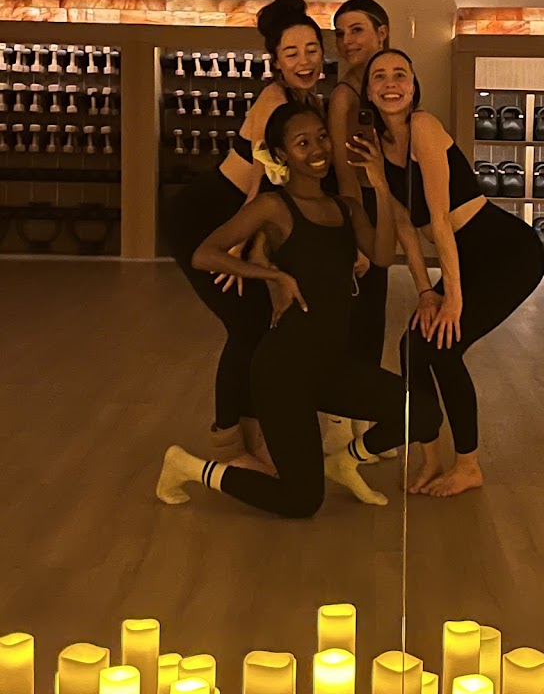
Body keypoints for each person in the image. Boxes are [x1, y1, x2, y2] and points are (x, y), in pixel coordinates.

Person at [156, 103, 442, 518]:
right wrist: (273, 275)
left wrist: (380, 184)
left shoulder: (345, 208)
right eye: (302, 143)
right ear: (282, 154)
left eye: (322, 137)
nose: (317, 149)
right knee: (302, 500)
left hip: (330, 367)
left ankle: (344, 462)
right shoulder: (274, 207)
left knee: (424, 414)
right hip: (282, 373)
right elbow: (205, 254)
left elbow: (382, 256)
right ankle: (187, 467)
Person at [361, 49, 544, 498]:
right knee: (413, 346)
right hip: (463, 258)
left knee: (443, 346)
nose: (390, 84)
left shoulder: (423, 126)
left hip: (505, 252)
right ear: (368, 90)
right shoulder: (380, 146)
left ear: (414, 85)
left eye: (400, 75)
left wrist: (454, 300)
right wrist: (426, 293)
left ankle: (468, 465)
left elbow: (439, 219)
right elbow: (405, 226)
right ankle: (431, 458)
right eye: (380, 77)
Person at [162, 0, 325, 466]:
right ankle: (229, 444)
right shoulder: (275, 100)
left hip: (235, 215)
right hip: (207, 217)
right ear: (275, 60)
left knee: (259, 324)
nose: (304, 60)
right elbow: (260, 183)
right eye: (291, 53)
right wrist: (237, 247)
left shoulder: (305, 101)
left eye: (311, 49)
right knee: (247, 325)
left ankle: (250, 439)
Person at [328, 0, 390, 369]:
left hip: (383, 203)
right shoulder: (344, 95)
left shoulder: (389, 86)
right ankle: (352, 398)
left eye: (356, 30)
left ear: (382, 33)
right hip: (361, 208)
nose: (347, 41)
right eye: (340, 34)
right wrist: (357, 239)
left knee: (372, 315)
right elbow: (345, 171)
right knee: (362, 317)